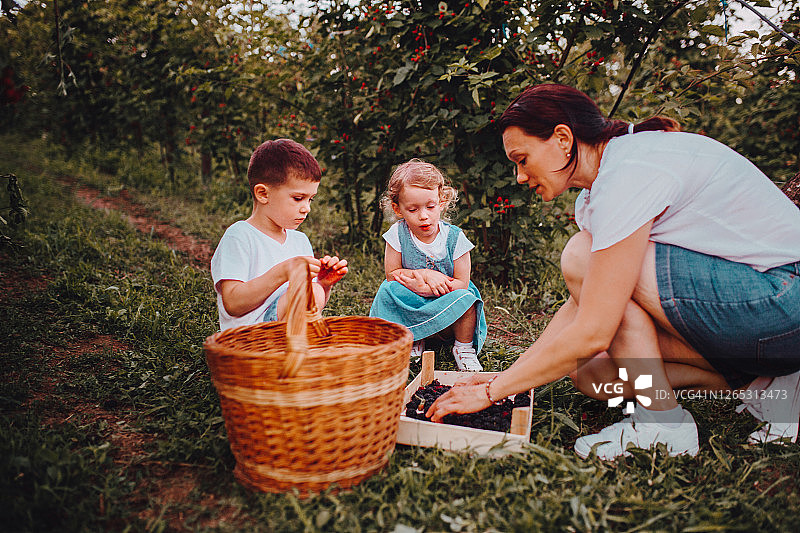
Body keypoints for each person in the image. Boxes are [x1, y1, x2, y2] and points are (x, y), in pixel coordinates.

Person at [426, 83, 800, 460]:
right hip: (759, 319)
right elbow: (581, 309)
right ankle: (766, 382)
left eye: (522, 159)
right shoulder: (600, 189)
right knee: (593, 374)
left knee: (580, 257)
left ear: (562, 138)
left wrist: (490, 394)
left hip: (785, 298)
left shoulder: (630, 170)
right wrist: (507, 379)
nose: (520, 176)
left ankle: (664, 425)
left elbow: (594, 328)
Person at [210, 138, 348, 331]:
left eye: (311, 200)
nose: (306, 208)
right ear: (263, 194)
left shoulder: (300, 241)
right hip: (250, 338)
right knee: (309, 291)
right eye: (298, 198)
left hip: (288, 334)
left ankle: (299, 350)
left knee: (314, 290)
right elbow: (233, 303)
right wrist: (283, 272)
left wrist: (324, 285)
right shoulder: (240, 236)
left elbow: (309, 305)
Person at [369, 159, 488, 371]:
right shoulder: (397, 234)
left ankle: (463, 348)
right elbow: (392, 274)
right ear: (398, 209)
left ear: (441, 201)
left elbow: (462, 282)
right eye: (413, 209)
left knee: (468, 299)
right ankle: (414, 338)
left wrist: (428, 289)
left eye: (430, 206)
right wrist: (423, 275)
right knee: (388, 290)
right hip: (411, 298)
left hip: (446, 299)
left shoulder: (455, 238)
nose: (424, 216)